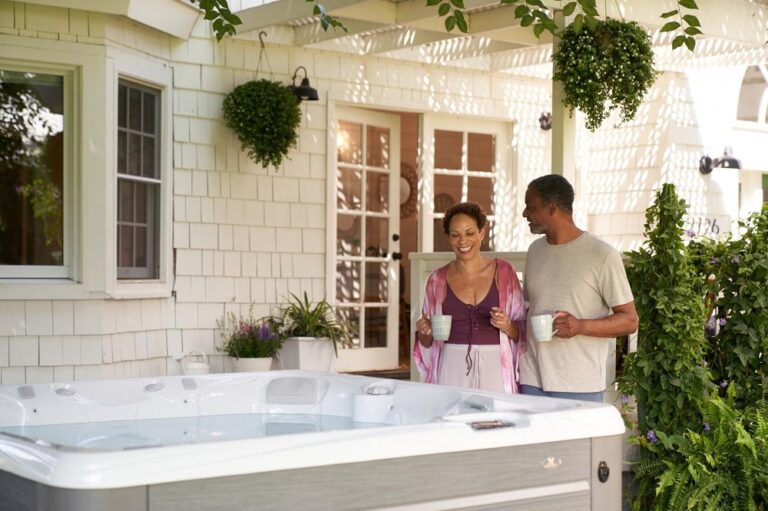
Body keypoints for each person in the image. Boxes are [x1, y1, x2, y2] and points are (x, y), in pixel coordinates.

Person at [520, 174, 638, 402]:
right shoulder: (534, 251)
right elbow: (530, 307)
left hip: (578, 383)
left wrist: (580, 326)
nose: (525, 214)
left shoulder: (602, 255)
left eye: (530, 207)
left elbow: (630, 321)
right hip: (531, 380)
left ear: (552, 208)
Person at [413, 202, 526, 393]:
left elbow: (521, 330)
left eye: (469, 233)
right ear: (449, 239)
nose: (463, 241)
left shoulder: (504, 272)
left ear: (482, 233)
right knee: (451, 419)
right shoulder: (437, 279)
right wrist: (425, 331)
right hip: (451, 366)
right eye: (455, 235)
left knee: (496, 420)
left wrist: (507, 325)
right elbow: (427, 342)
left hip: (496, 367)